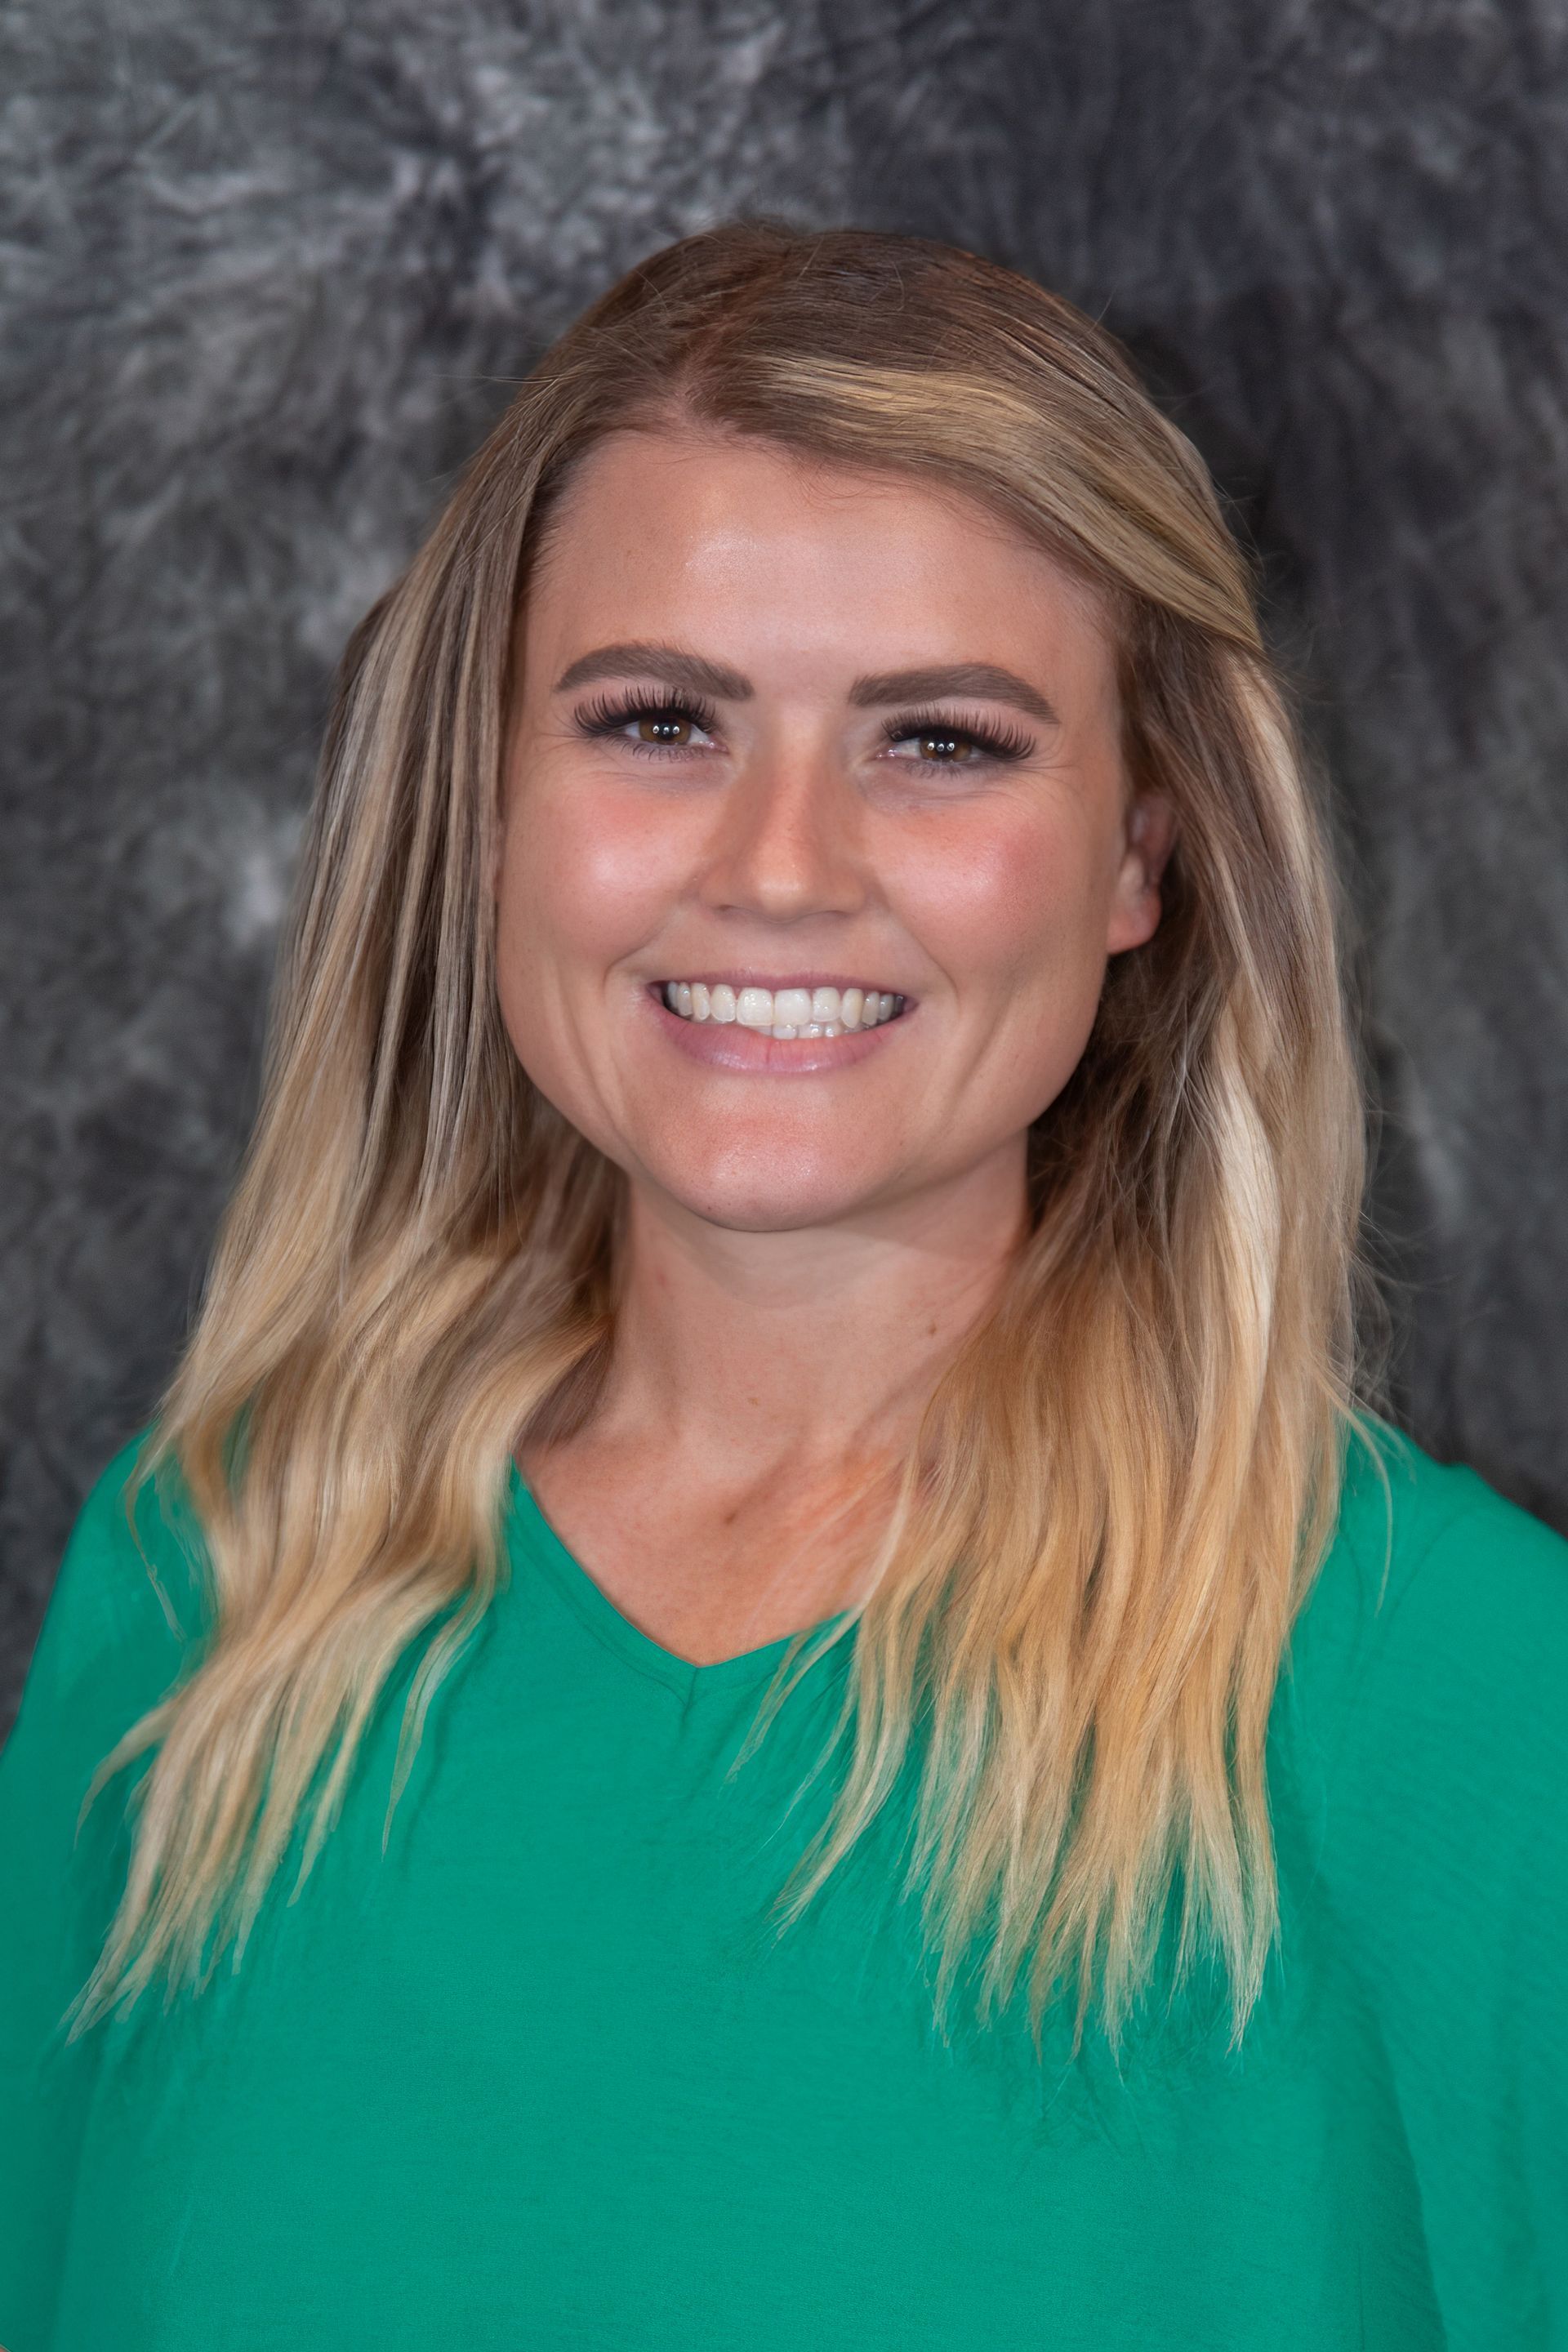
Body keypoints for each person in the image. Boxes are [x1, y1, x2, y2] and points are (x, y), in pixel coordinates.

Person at [1, 220, 1563, 2352]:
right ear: (485, 800)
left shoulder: (1457, 1694)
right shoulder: (208, 1580)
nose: (780, 867)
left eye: (942, 742)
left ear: (1144, 854)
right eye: (659, 721)